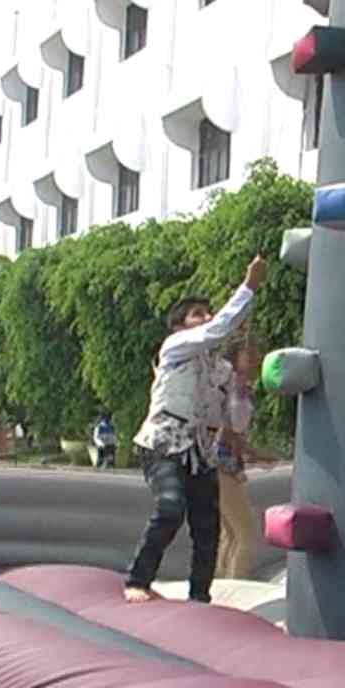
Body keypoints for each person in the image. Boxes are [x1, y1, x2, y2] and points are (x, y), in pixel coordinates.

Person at [123, 255, 267, 604]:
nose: (205, 318)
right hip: (163, 443)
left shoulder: (217, 368)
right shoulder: (175, 349)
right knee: (171, 506)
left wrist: (241, 385)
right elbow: (218, 329)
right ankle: (138, 579)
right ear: (180, 327)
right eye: (196, 315)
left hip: (199, 451)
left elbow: (233, 418)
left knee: (208, 525)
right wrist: (249, 287)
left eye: (206, 312)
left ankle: (200, 596)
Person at [212, 333, 265, 580]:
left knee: (231, 532)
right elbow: (226, 429)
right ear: (235, 357)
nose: (256, 359)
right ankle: (236, 587)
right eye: (249, 355)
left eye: (257, 354)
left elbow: (237, 431)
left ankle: (222, 583)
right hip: (221, 461)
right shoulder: (227, 386)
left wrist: (252, 453)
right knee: (245, 532)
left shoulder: (245, 390)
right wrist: (251, 452)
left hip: (231, 461)